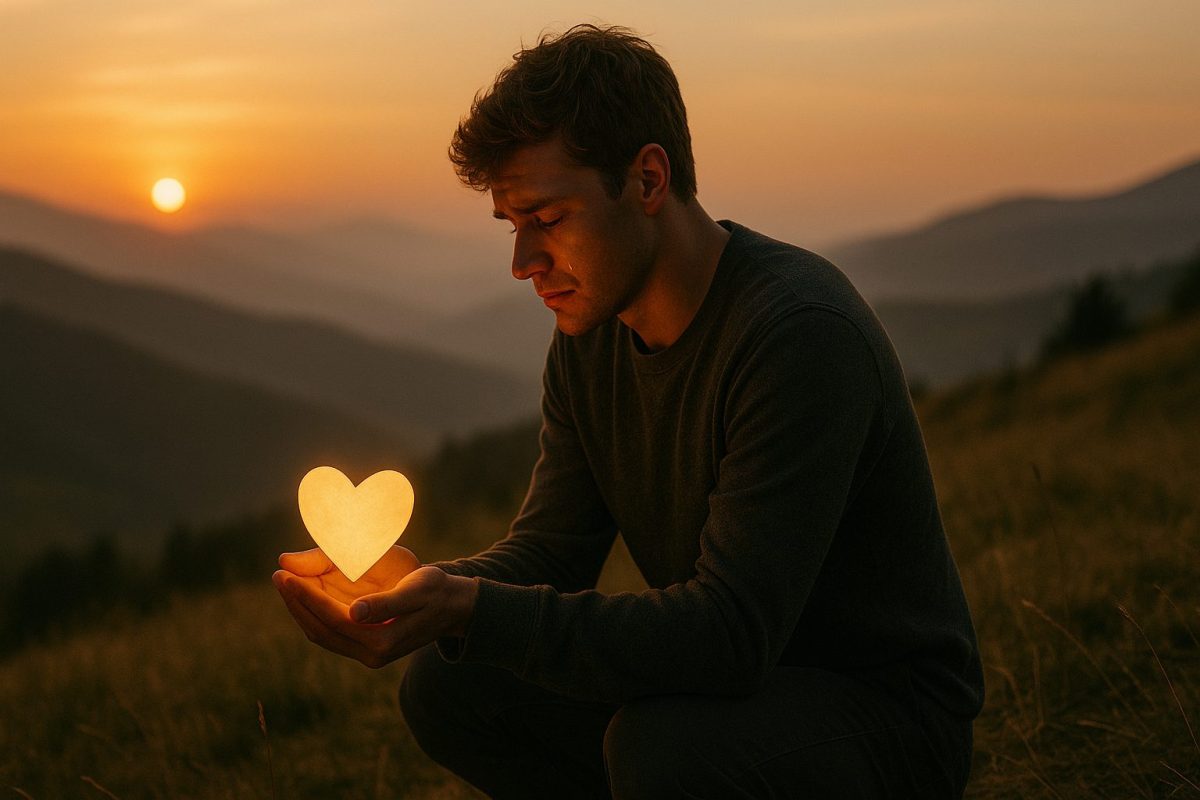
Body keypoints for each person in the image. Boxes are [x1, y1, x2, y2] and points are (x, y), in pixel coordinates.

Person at [273, 23, 984, 799]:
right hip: (733, 696)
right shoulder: (591, 340)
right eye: (511, 227)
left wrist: (469, 607)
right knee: (450, 686)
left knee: (666, 749)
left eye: (546, 219)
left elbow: (730, 635)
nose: (523, 264)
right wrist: (429, 593)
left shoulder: (799, 336)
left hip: (887, 721)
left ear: (648, 181)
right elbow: (550, 553)